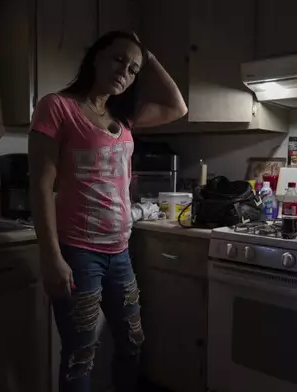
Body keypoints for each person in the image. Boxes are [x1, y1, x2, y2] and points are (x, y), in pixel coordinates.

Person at [28, 31, 187, 392]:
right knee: (80, 354)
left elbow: (178, 107)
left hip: (120, 252)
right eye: (118, 60)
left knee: (132, 343)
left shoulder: (124, 116)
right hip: (78, 252)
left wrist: (149, 58)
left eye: (133, 69)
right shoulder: (57, 107)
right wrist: (51, 258)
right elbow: (39, 185)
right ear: (96, 56)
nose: (124, 72)